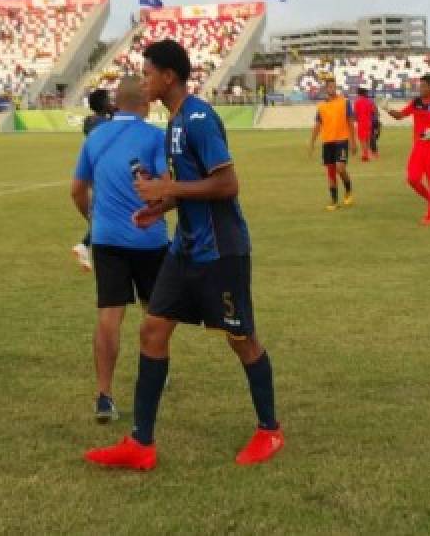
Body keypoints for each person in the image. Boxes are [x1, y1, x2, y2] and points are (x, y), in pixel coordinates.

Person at [84, 39, 282, 470]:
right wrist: (161, 206)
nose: (145, 80)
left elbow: (227, 185)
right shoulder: (173, 123)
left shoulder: (197, 118)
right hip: (184, 249)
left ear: (168, 76)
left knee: (241, 340)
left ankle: (269, 430)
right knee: (153, 330)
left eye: (149, 73)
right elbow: (192, 186)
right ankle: (141, 444)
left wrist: (168, 189)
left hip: (221, 252)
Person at [71, 78, 169, 424]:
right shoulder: (156, 137)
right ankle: (154, 377)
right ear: (145, 104)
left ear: (116, 104)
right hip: (149, 238)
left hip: (108, 240)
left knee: (109, 317)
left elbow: (78, 190)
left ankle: (104, 395)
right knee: (155, 314)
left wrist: (94, 220)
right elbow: (163, 185)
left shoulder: (95, 137)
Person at [384, 75, 430, 226]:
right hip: (418, 148)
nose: (420, 89)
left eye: (423, 86)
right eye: (419, 86)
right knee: (412, 179)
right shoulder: (416, 102)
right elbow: (400, 115)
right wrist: (387, 109)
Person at [72, 89, 117, 272]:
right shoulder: (104, 124)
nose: (112, 102)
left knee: (105, 213)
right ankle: (85, 245)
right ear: (103, 103)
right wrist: (115, 113)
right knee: (107, 213)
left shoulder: (91, 122)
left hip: (94, 170)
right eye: (109, 100)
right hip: (105, 173)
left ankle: (85, 245)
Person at [307, 79, 359, 210]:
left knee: (340, 168)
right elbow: (318, 125)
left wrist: (353, 141)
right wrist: (312, 142)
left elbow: (351, 122)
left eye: (334, 87)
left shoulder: (344, 102)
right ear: (326, 89)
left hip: (341, 140)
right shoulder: (321, 106)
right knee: (330, 172)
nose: (332, 89)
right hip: (327, 142)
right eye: (329, 87)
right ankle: (334, 201)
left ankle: (348, 191)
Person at [354, 87, 378, 162]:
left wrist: (356, 119)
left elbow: (355, 114)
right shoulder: (369, 101)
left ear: (359, 94)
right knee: (367, 138)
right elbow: (375, 111)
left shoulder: (357, 102)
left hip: (361, 122)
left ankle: (365, 155)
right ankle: (367, 153)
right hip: (369, 122)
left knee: (362, 139)